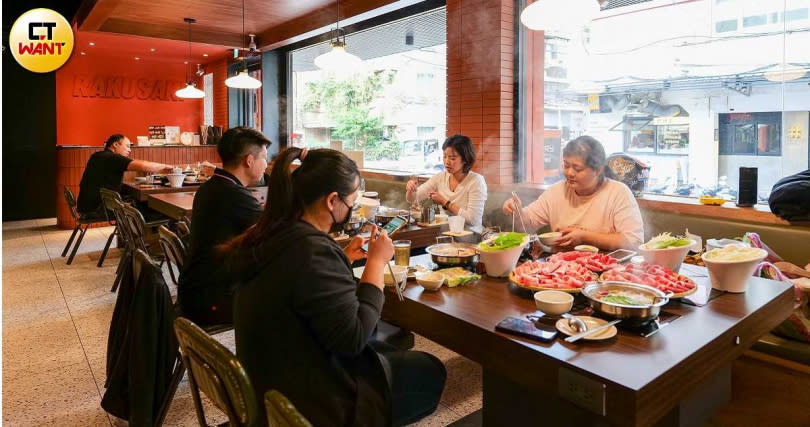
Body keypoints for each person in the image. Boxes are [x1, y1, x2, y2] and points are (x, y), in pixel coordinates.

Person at [227, 147, 446, 426]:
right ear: (332, 200)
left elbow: (299, 282)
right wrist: (376, 263)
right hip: (309, 399)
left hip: (272, 375)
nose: (352, 209)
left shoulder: (272, 233)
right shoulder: (311, 250)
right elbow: (354, 338)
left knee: (388, 351)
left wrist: (343, 258)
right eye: (352, 202)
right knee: (430, 369)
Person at [177, 127, 269, 326]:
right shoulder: (233, 194)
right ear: (249, 160)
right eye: (264, 157)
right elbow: (280, 228)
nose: (266, 164)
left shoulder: (212, 186)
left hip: (195, 288)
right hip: (211, 299)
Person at [503, 136, 643, 251]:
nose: (569, 173)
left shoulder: (618, 193)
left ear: (598, 170)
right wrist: (517, 212)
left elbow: (633, 241)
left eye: (577, 168)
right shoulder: (557, 192)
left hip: (605, 270)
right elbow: (527, 225)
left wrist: (585, 237)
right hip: (560, 269)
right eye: (566, 165)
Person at [405, 134, 487, 233]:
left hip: (470, 236)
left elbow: (473, 220)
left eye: (452, 158)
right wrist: (411, 190)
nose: (447, 162)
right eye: (445, 156)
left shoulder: (476, 181)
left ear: (465, 159)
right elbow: (413, 199)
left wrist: (445, 202)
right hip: (445, 234)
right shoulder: (440, 177)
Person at [76, 134, 173, 215]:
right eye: (127, 146)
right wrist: (169, 168)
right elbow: (143, 166)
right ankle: (146, 235)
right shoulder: (112, 158)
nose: (130, 150)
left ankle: (131, 235)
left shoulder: (97, 156)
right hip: (97, 208)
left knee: (138, 202)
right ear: (115, 145)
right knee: (152, 207)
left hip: (87, 205)